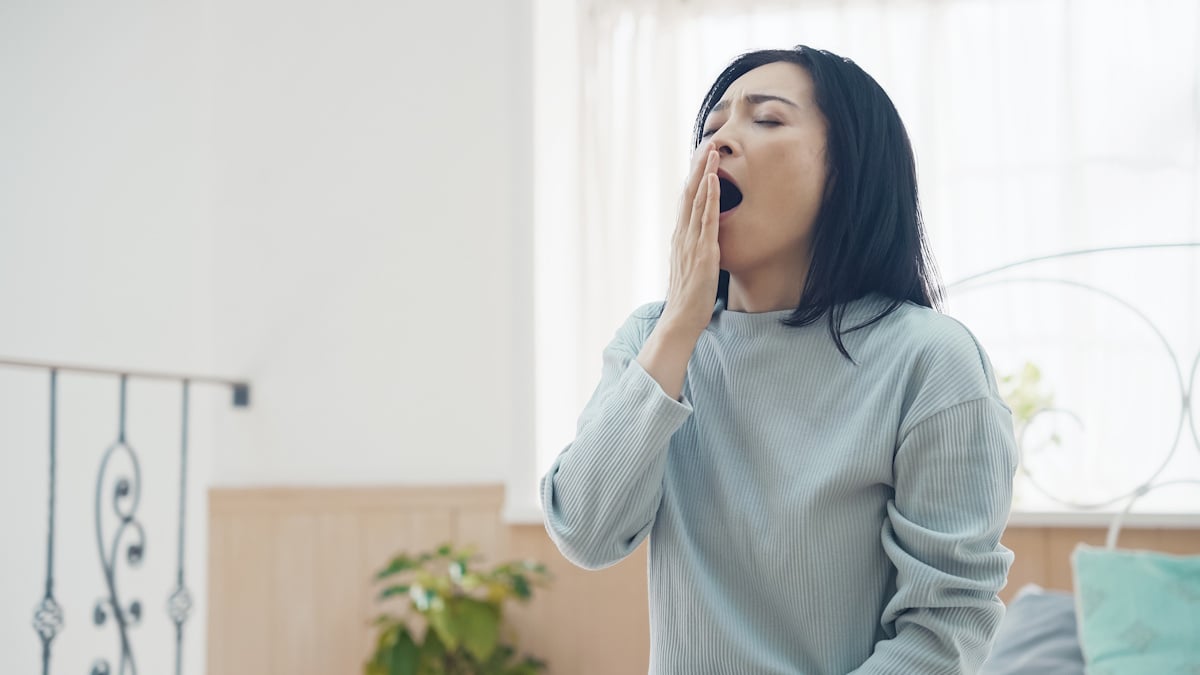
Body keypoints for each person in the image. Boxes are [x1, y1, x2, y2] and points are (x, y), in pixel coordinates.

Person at [540, 45, 1018, 674]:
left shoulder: (929, 361)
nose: (719, 142)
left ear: (846, 171)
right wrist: (681, 321)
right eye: (711, 128)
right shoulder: (654, 340)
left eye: (766, 119)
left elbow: (946, 628)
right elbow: (585, 532)